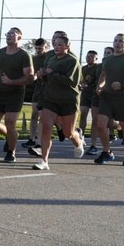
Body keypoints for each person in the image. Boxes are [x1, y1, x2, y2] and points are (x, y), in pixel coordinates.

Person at [31, 35, 85, 170]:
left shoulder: (72, 61)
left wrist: (53, 74)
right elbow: (47, 78)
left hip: (68, 100)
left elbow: (72, 81)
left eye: (60, 44)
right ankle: (44, 161)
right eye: (55, 44)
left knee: (68, 133)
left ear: (67, 47)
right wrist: (42, 74)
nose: (57, 47)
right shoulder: (50, 60)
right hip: (50, 99)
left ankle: (78, 141)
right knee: (46, 129)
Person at [0, 27, 34, 163]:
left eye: (12, 34)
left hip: (15, 94)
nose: (8, 35)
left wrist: (12, 81)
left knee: (10, 123)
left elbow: (30, 78)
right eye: (7, 33)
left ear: (19, 37)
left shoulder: (24, 55)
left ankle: (11, 152)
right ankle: (11, 136)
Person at [93, 34, 124, 166]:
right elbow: (103, 75)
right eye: (115, 41)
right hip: (107, 97)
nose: (117, 43)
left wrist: (122, 85)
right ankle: (106, 151)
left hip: (122, 98)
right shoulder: (107, 59)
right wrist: (100, 86)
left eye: (121, 41)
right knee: (101, 124)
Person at [23, 38, 48, 151]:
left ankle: (58, 128)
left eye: (40, 48)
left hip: (47, 88)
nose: (38, 50)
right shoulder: (33, 59)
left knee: (44, 115)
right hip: (37, 88)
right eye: (36, 48)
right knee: (34, 113)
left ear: (46, 48)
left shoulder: (49, 58)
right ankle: (32, 139)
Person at [78, 50, 99, 154]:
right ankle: (81, 137)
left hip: (95, 95)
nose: (89, 58)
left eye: (91, 57)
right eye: (88, 56)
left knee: (95, 120)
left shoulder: (98, 68)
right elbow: (81, 81)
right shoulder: (83, 68)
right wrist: (82, 83)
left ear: (96, 59)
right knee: (83, 114)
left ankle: (94, 144)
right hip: (85, 95)